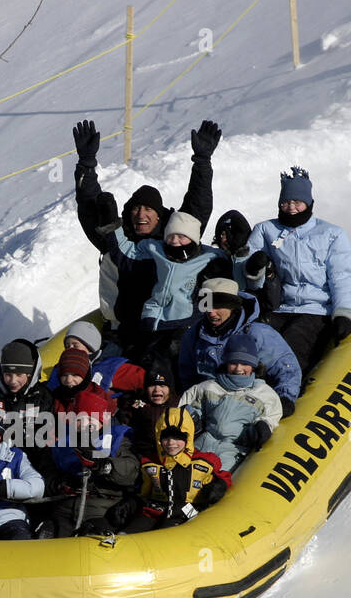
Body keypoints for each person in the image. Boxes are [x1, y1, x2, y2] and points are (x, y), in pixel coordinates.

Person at [72, 118, 221, 355]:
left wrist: (202, 162)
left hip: (167, 328)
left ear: (160, 216)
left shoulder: (174, 239)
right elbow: (90, 209)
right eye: (136, 209)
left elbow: (197, 207)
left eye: (149, 209)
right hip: (123, 331)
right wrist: (86, 165)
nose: (141, 214)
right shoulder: (114, 239)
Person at [247, 166, 351, 374]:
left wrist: (344, 312)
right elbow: (248, 273)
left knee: (293, 349)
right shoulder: (266, 230)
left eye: (297, 202)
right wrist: (254, 269)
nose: (291, 207)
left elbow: (341, 276)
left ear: (308, 203)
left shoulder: (331, 233)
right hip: (278, 308)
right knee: (257, 352)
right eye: (286, 202)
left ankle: (288, 397)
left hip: (315, 310)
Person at [93, 209, 225, 366]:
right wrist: (113, 227)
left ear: (193, 239)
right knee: (143, 362)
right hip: (151, 323)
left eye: (181, 236)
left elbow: (213, 298)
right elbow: (126, 255)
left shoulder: (209, 260)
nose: (174, 241)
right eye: (170, 236)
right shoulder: (155, 250)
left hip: (182, 324)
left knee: (172, 359)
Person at [177, 277, 301, 415]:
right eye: (207, 306)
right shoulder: (194, 335)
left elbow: (286, 367)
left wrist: (285, 399)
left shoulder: (257, 334)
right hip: (212, 410)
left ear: (232, 306)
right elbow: (187, 376)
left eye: (218, 306)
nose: (212, 313)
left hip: (252, 407)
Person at [177, 333, 283, 473]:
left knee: (218, 482)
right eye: (233, 363)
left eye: (245, 364)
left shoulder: (264, 394)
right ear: (226, 363)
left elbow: (272, 417)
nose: (238, 369)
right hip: (201, 445)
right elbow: (185, 409)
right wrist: (192, 419)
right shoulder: (209, 387)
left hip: (235, 451)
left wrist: (262, 426)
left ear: (254, 366)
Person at [123, 408, 229, 534]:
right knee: (126, 535)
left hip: (186, 514)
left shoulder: (204, 462)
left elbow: (223, 476)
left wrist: (219, 485)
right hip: (154, 512)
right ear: (159, 439)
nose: (171, 443)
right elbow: (143, 492)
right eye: (165, 438)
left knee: (161, 537)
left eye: (178, 437)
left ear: (188, 439)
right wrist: (131, 503)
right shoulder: (150, 463)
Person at [0, 338, 57, 484]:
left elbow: (44, 444)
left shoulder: (43, 398)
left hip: (32, 465)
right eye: (8, 374)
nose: (12, 381)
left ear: (30, 374)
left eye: (19, 375)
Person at [49, 405, 140, 538]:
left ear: (102, 422)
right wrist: (58, 483)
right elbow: (45, 475)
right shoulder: (62, 445)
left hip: (102, 509)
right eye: (80, 419)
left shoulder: (116, 441)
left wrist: (104, 465)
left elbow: (131, 472)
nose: (85, 424)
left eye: (91, 419)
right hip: (65, 508)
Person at [44, 320, 145, 398]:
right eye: (67, 346)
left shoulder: (110, 367)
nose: (70, 350)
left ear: (90, 347)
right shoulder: (61, 369)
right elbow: (48, 393)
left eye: (75, 345)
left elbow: (147, 381)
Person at [117, 359, 179, 458]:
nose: (157, 389)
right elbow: (125, 423)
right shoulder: (139, 404)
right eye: (152, 385)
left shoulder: (178, 404)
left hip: (172, 453)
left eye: (162, 385)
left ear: (170, 389)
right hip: (144, 455)